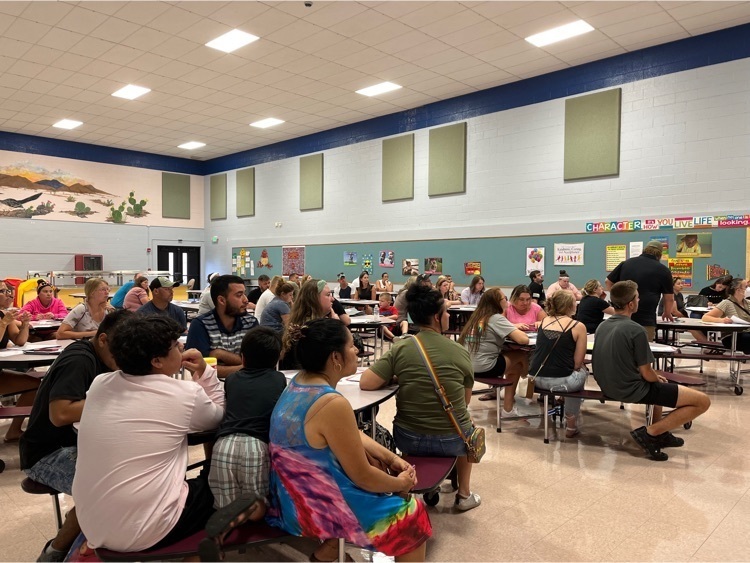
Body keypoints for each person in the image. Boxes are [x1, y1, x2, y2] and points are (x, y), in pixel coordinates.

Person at [269, 318, 431, 561]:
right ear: (335, 357)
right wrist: (400, 483)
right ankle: (334, 543)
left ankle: (328, 551)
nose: (357, 349)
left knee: (380, 471)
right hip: (313, 506)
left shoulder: (298, 384)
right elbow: (363, 476)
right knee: (411, 517)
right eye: (351, 345)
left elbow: (348, 433)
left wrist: (390, 457)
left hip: (289, 496)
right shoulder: (332, 403)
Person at [72, 315, 228, 552]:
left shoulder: (100, 383)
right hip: (149, 530)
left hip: (92, 523)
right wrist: (206, 373)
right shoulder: (184, 394)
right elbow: (218, 417)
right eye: (176, 346)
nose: (182, 347)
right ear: (156, 360)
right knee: (223, 476)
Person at [20, 310, 130, 562]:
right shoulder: (79, 359)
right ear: (102, 339)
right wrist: (112, 401)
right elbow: (60, 413)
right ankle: (55, 554)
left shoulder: (110, 358)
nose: (126, 358)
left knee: (134, 482)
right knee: (109, 492)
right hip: (48, 452)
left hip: (85, 444)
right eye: (121, 350)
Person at [361, 285, 481, 512]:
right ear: (437, 317)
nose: (448, 316)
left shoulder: (402, 348)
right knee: (469, 430)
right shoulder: (459, 352)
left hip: (408, 437)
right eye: (446, 312)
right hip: (451, 440)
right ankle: (464, 494)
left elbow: (366, 382)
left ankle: (409, 486)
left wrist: (398, 376)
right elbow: (463, 403)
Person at [593, 281, 711, 461]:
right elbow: (647, 373)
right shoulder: (636, 330)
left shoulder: (603, 326)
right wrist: (655, 377)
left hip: (608, 385)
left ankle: (660, 432)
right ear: (631, 304)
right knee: (702, 401)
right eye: (638, 297)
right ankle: (650, 433)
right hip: (629, 389)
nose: (639, 300)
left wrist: (656, 377)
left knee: (660, 385)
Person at [208, 327, 287, 510]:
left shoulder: (232, 379)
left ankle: (225, 533)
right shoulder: (278, 379)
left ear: (242, 357)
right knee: (256, 507)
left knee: (225, 509)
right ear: (276, 359)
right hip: (255, 448)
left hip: (223, 446)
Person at [458, 288, 530, 417]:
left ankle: (520, 389)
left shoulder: (476, 317)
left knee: (516, 366)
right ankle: (527, 384)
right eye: (504, 298)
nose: (506, 301)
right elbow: (523, 340)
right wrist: (514, 328)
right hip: (485, 368)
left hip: (467, 367)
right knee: (520, 355)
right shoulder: (496, 318)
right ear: (497, 302)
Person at [529, 290, 588, 438]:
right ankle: (571, 424)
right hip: (562, 382)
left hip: (536, 379)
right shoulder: (577, 326)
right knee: (582, 371)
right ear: (570, 305)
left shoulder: (543, 322)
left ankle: (558, 404)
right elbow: (577, 363)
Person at [186, 275, 258, 377]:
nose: (246, 300)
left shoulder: (251, 322)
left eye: (244, 294)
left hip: (245, 387)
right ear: (222, 300)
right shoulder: (201, 325)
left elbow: (258, 363)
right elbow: (195, 368)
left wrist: (219, 353)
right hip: (208, 390)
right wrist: (244, 367)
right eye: (239, 295)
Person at [606, 241, 674, 341]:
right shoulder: (663, 270)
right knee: (643, 350)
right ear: (660, 255)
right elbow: (669, 298)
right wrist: (667, 312)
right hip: (646, 318)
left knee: (621, 348)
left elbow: (608, 282)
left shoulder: (627, 263)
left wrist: (617, 298)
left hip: (622, 315)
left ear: (644, 250)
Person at [0, 279, 34, 443]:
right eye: (2, 292)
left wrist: (25, 324)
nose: (7, 295)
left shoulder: (5, 315)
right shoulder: (5, 318)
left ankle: (14, 430)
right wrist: (4, 322)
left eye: (7, 291)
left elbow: (19, 341)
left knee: (37, 384)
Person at [281, 279, 341, 369]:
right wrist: (337, 326)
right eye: (328, 295)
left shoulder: (301, 322)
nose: (332, 299)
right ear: (314, 299)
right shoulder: (311, 329)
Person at [701, 277, 750, 353]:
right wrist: (722, 320)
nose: (748, 289)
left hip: (746, 334)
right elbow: (705, 317)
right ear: (738, 290)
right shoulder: (726, 303)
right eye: (746, 287)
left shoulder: (748, 303)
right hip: (731, 336)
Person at [659, 277, 710, 344]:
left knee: (698, 324)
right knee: (692, 327)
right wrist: (685, 318)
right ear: (672, 285)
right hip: (669, 318)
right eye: (678, 284)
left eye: (682, 283)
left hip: (678, 318)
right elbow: (674, 311)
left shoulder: (679, 295)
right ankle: (706, 344)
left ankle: (707, 342)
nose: (681, 285)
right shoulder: (671, 295)